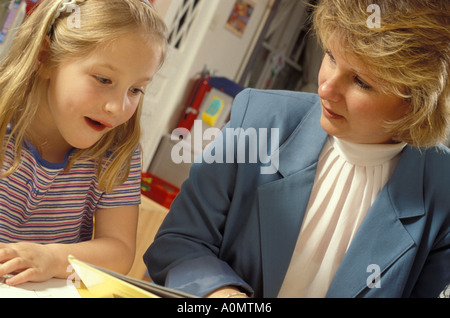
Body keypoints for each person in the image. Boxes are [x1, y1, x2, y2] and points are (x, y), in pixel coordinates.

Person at [145, 0, 450, 298]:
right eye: (331, 56)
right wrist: (221, 294)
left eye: (360, 81)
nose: (326, 88)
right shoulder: (258, 117)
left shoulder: (443, 188)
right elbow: (179, 241)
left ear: (417, 101)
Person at [0, 0, 167, 286]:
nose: (118, 107)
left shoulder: (118, 151)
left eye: (136, 89)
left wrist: (52, 258)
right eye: (103, 79)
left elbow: (119, 250)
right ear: (45, 58)